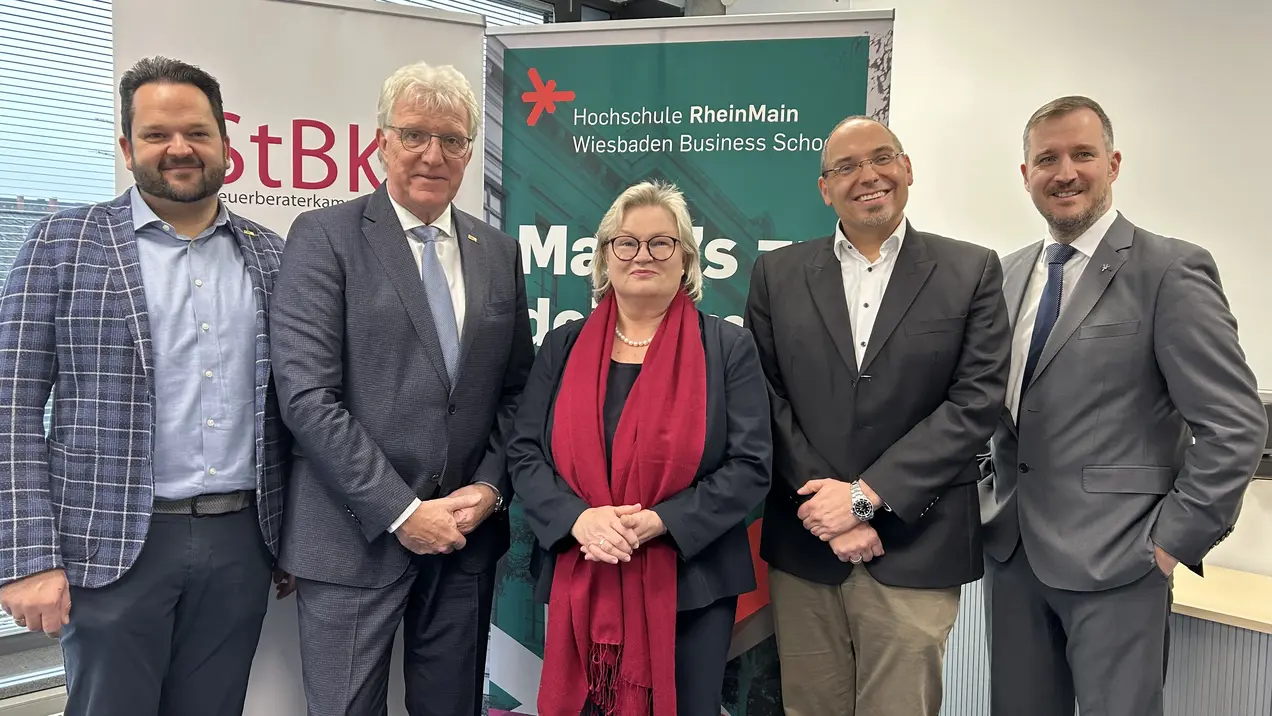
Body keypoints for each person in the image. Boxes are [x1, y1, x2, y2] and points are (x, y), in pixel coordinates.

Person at [0, 56, 293, 716]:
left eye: (197, 131)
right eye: (158, 134)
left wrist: (294, 537)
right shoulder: (61, 243)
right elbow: (10, 404)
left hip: (242, 544)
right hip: (112, 549)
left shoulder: (271, 254)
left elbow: (293, 408)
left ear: (226, 144)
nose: (180, 148)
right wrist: (25, 558)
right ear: (129, 148)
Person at [979, 95, 1267, 716]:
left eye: (1083, 154)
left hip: (1121, 562)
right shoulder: (1004, 275)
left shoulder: (1169, 270)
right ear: (1024, 174)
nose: (1065, 172)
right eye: (1046, 158)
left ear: (1113, 163)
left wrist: (1171, 541)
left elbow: (1236, 425)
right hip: (1013, 557)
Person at [270, 59, 535, 716]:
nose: (432, 154)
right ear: (381, 140)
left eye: (451, 139)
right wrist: (402, 511)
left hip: (464, 539)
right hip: (354, 534)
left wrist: (490, 487)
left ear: (470, 152)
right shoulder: (324, 237)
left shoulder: (497, 251)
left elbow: (516, 392)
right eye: (414, 134)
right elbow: (307, 396)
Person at [744, 116, 1012, 716]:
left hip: (917, 544)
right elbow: (765, 396)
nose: (867, 176)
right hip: (807, 542)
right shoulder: (777, 275)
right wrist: (830, 508)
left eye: (882, 158)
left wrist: (865, 498)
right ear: (824, 188)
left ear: (907, 168)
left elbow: (975, 403)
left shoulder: (970, 271)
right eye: (846, 166)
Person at [507, 180, 772, 716]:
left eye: (660, 243)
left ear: (686, 260)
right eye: (626, 243)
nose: (642, 255)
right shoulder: (563, 345)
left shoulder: (727, 347)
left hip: (692, 582)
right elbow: (525, 453)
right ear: (605, 258)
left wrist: (660, 521)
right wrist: (578, 519)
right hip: (583, 566)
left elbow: (751, 466)